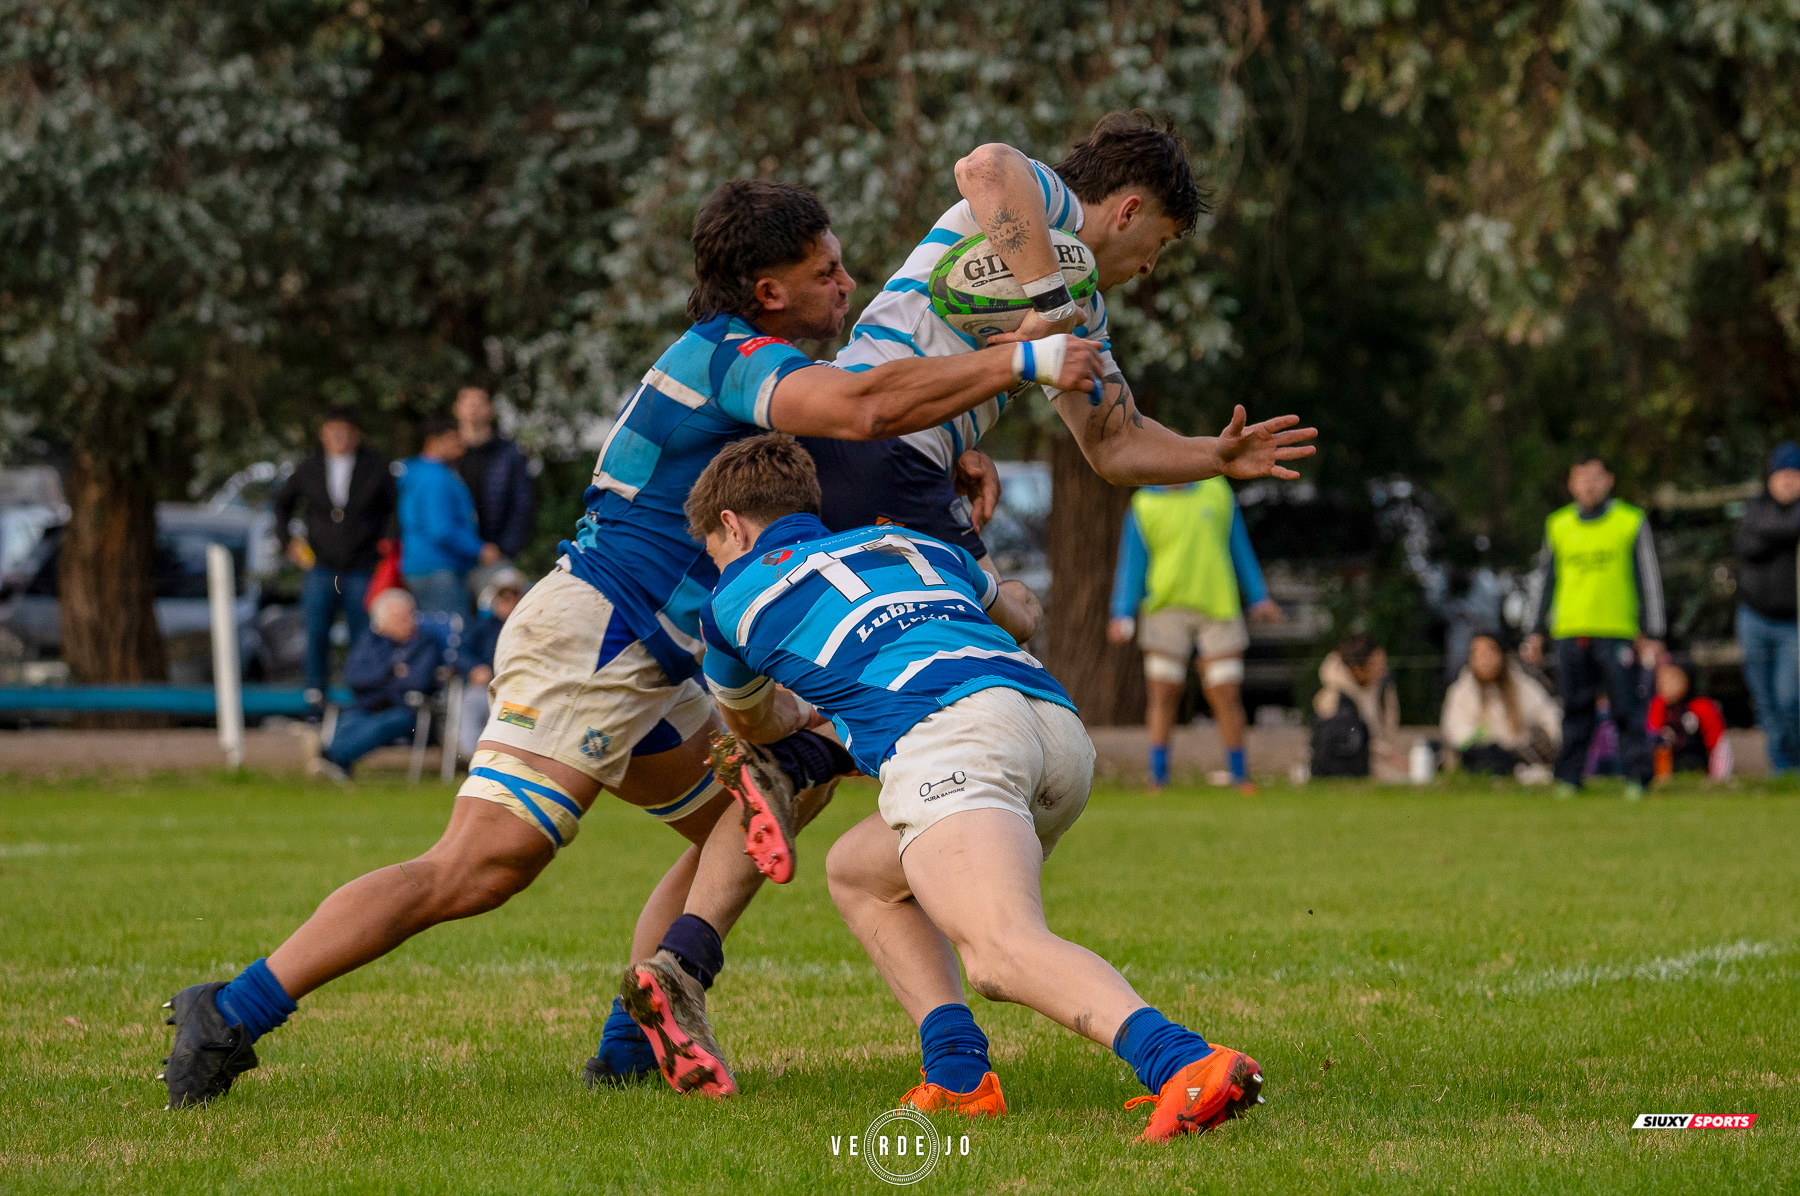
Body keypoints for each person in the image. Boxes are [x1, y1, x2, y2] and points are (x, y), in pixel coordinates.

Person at [156, 176, 1119, 1109]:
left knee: (758, 808)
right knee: (483, 866)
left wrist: (962, 448)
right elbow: (861, 411)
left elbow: (859, 429)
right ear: (767, 291)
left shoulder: (757, 362)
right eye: (825, 270)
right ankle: (228, 1011)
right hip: (599, 631)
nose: (847, 282)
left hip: (657, 656)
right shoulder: (731, 354)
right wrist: (1021, 362)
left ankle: (636, 1039)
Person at [692, 434, 1264, 1141]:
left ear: (730, 526)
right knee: (859, 872)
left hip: (952, 738)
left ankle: (1186, 1061)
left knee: (999, 948)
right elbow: (1020, 614)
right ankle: (959, 1077)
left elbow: (755, 720)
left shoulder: (728, 601)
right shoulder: (906, 543)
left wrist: (810, 712)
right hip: (1053, 729)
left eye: (715, 547)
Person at [1107, 475, 1281, 793]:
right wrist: (1122, 611)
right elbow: (1132, 562)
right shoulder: (1144, 503)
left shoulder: (1217, 490)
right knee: (1163, 692)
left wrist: (1258, 596)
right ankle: (1158, 777)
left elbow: (1238, 545)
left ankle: (1240, 776)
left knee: (1225, 691)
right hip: (1164, 608)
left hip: (1219, 606)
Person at [1522, 455, 1665, 797]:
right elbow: (1544, 580)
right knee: (1574, 708)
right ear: (1571, 484)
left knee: (1626, 706)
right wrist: (1533, 630)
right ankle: (1569, 777)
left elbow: (1648, 578)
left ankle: (1636, 777)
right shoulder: (1558, 525)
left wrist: (1654, 631)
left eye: (1595, 477)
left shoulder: (1629, 520)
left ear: (1609, 481)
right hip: (1570, 630)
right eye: (1581, 478)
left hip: (1617, 630)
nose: (1588, 485)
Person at [271, 406, 397, 706]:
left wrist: (386, 542)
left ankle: (363, 693)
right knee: (316, 630)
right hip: (322, 566)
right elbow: (281, 502)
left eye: (345, 430)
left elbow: (393, 507)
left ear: (356, 434)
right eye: (333, 430)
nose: (339, 437)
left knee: (363, 631)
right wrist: (287, 540)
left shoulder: (375, 467)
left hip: (361, 565)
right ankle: (315, 694)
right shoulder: (309, 466)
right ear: (323, 433)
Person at [313, 589, 444, 782]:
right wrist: (391, 672)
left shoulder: (426, 643)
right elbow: (353, 677)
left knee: (382, 724)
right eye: (397, 618)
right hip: (370, 706)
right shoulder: (370, 641)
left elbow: (417, 682)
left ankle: (331, 758)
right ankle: (337, 765)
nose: (407, 622)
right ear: (382, 622)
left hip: (408, 711)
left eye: (409, 615)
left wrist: (378, 682)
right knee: (349, 723)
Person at [1733, 442, 1800, 774]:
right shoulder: (1755, 508)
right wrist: (1785, 533)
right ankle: (1781, 768)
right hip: (1754, 617)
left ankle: (1794, 761)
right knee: (1765, 698)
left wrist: (1774, 534)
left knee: (1790, 697)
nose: (1787, 482)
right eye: (1782, 474)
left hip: (1793, 623)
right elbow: (1747, 546)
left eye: (1794, 474)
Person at [396, 417, 484, 618]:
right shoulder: (435, 478)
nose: (459, 445)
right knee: (451, 635)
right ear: (433, 442)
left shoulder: (417, 472)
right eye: (453, 439)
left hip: (421, 566)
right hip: (439, 568)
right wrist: (479, 550)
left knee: (433, 632)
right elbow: (441, 529)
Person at [1439, 631, 1560, 776]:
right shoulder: (1461, 691)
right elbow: (1455, 729)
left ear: (1501, 655)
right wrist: (1481, 740)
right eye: (1477, 653)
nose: (1484, 659)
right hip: (1480, 752)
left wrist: (1549, 737)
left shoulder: (1522, 685)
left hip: (1518, 753)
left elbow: (1549, 714)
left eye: (1489, 652)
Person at [453, 386, 536, 579]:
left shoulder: (509, 454)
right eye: (468, 403)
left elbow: (523, 504)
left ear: (491, 410)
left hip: (496, 555)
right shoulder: (446, 456)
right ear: (456, 409)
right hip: (451, 557)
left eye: (479, 403)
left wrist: (505, 548)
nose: (473, 409)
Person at [1311, 633, 1403, 780]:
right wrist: (1388, 757)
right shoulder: (1333, 699)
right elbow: (1349, 745)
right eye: (1376, 665)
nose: (1382, 671)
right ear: (1357, 669)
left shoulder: (1380, 689)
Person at [458, 567, 528, 758]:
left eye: (514, 596)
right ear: (494, 599)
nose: (510, 602)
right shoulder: (480, 627)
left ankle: (516, 760)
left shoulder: (534, 630)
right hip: (487, 689)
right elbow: (460, 654)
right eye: (503, 597)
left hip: (522, 692)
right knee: (471, 701)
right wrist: (473, 669)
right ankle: (472, 759)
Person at [1647, 659, 1732, 781]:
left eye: (1672, 679)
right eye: (1661, 680)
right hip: (1668, 770)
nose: (1665, 685)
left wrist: (1719, 779)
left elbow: (1720, 746)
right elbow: (1652, 737)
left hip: (1698, 767)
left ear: (1688, 679)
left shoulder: (1701, 707)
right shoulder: (1658, 705)